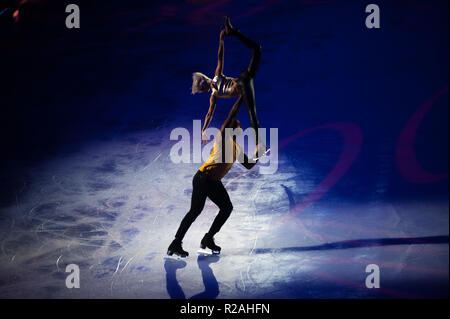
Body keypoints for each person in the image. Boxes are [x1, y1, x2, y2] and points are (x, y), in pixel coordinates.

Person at [166, 98, 259, 259]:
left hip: (213, 182)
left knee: (226, 208)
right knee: (195, 211)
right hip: (203, 178)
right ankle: (176, 243)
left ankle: (208, 239)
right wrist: (243, 95)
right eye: (236, 126)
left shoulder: (236, 147)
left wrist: (259, 154)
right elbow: (232, 116)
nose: (240, 128)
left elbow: (249, 165)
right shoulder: (223, 138)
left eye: (239, 127)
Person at [192, 16, 266, 157]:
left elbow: (209, 114)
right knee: (257, 49)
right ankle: (233, 32)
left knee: (252, 113)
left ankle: (259, 145)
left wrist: (203, 130)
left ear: (203, 87)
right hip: (244, 77)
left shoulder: (214, 94)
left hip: (242, 84)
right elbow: (220, 56)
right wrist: (222, 38)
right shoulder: (216, 77)